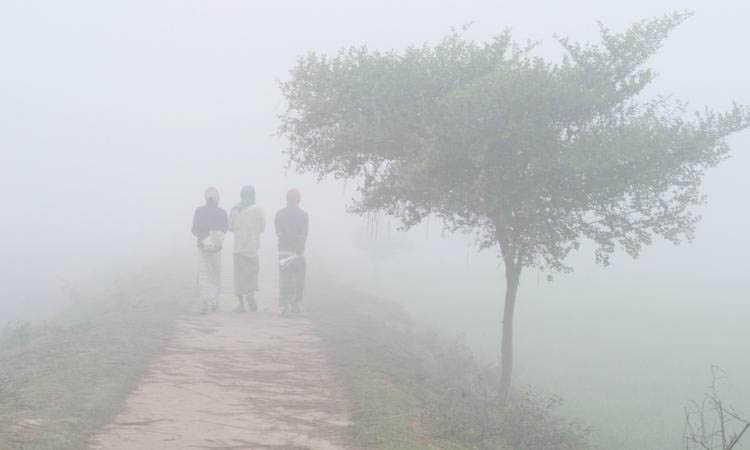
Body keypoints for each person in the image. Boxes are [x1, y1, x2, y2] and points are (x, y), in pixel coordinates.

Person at [191, 187, 228, 314]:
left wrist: (203, 238)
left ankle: (204, 301)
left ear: (206, 198)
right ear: (217, 198)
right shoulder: (222, 212)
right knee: (215, 274)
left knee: (203, 274)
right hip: (216, 249)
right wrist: (216, 239)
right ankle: (214, 301)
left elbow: (194, 229)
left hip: (203, 247)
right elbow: (225, 229)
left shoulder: (199, 211)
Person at [229, 185, 265, 312]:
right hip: (253, 247)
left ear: (241, 195)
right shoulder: (258, 210)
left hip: (239, 247)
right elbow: (262, 228)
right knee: (252, 273)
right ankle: (250, 294)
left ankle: (241, 304)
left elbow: (231, 228)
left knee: (239, 276)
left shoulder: (235, 210)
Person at [275, 188, 309, 315]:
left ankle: (286, 306)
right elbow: (304, 235)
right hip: (297, 252)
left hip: (284, 251)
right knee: (298, 279)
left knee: (285, 279)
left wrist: (287, 237)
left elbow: (279, 233)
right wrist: (299, 246)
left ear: (286, 199)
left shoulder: (279, 214)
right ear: (298, 200)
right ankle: (295, 304)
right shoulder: (304, 215)